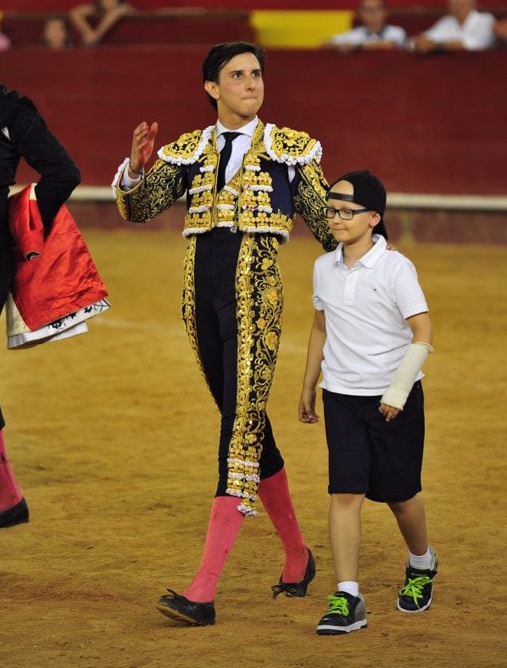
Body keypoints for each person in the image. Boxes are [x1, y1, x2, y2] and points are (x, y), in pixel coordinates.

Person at [113, 41, 382, 627]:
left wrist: (369, 246)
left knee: (237, 429)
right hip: (199, 305)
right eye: (237, 76)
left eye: (256, 74)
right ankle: (296, 557)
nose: (251, 84)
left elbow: (324, 222)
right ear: (212, 88)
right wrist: (137, 168)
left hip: (255, 302)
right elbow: (139, 209)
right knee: (246, 422)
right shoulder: (189, 150)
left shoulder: (289, 151)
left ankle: (204, 589)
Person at [298, 170, 437, 635]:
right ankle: (348, 596)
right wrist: (309, 383)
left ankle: (421, 564)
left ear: (374, 218)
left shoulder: (396, 267)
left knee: (400, 496)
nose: (334, 218)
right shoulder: (323, 266)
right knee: (345, 492)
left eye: (345, 211)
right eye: (330, 209)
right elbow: (321, 326)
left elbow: (422, 333)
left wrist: (397, 391)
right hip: (340, 396)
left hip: (392, 399)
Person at [0, 85, 81, 528]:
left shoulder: (10, 110)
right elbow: (62, 173)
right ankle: (6, 498)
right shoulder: (9, 109)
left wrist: (20, 227)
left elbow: (64, 173)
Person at [410, 0, 495, 54]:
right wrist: (420, 43)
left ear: (472, 3)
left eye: (461, 3)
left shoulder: (486, 20)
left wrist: (435, 46)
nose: (457, 6)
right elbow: (417, 41)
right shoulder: (447, 21)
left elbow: (470, 46)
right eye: (454, 3)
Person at [324, 0, 407, 53]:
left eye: (377, 9)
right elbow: (326, 44)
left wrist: (356, 47)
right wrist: (341, 46)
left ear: (385, 12)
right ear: (360, 14)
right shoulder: (355, 34)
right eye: (367, 10)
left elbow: (389, 45)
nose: (372, 14)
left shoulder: (396, 31)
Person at [69, 0, 133, 47]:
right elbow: (75, 13)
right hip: (94, 43)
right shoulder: (97, 9)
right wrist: (88, 33)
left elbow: (118, 11)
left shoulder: (123, 8)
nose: (107, 1)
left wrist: (97, 35)